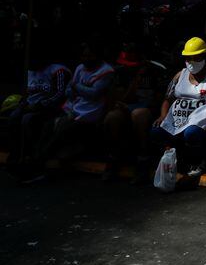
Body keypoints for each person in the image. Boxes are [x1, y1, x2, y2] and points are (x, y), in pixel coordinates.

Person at [34, 39, 115, 177]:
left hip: (91, 112)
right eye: (84, 56)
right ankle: (36, 158)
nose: (86, 59)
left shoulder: (106, 71)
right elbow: (68, 92)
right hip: (74, 108)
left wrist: (76, 87)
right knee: (48, 125)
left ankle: (39, 162)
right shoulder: (80, 68)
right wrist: (75, 89)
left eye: (90, 56)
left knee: (63, 129)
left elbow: (94, 93)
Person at [150, 37, 206, 178]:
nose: (191, 62)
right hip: (177, 119)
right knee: (156, 131)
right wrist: (163, 116)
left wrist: (205, 117)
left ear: (204, 57)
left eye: (195, 58)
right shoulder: (180, 75)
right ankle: (173, 159)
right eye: (188, 58)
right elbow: (168, 99)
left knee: (191, 133)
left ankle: (199, 161)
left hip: (201, 122)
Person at [102, 43, 167, 183]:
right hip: (128, 108)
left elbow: (162, 99)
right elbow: (119, 99)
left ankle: (143, 160)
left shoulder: (156, 71)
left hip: (149, 110)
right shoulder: (120, 72)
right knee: (112, 117)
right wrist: (135, 82)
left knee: (139, 114)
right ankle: (113, 158)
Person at [6, 46, 72, 176]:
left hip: (52, 108)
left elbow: (59, 94)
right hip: (30, 105)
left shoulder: (57, 70)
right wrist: (23, 104)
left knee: (27, 120)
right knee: (13, 117)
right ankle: (15, 155)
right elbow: (27, 92)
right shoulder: (30, 71)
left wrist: (40, 105)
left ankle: (30, 156)